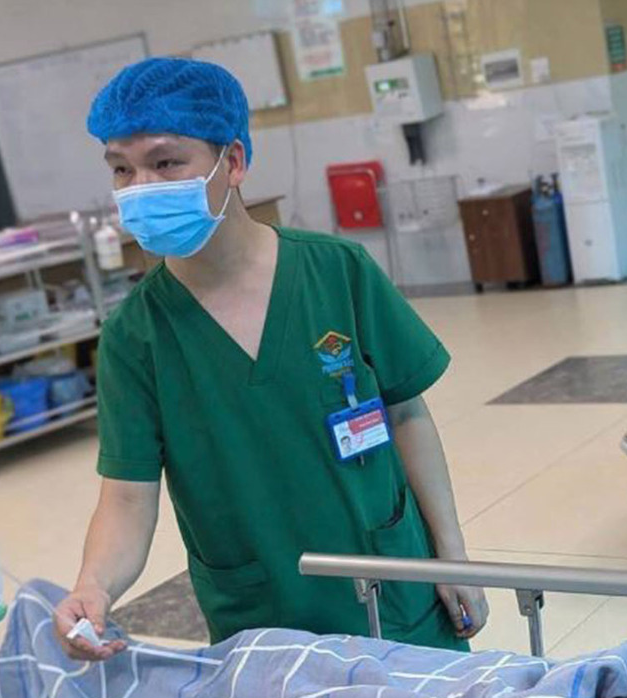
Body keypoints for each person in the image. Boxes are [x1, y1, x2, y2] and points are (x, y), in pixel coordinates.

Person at [54, 57, 487, 661]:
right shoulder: (135, 336)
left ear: (233, 162)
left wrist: (451, 556)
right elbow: (127, 495)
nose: (141, 188)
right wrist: (93, 585)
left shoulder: (337, 272)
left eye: (166, 162)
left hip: (393, 591)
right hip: (263, 620)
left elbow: (406, 415)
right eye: (122, 169)